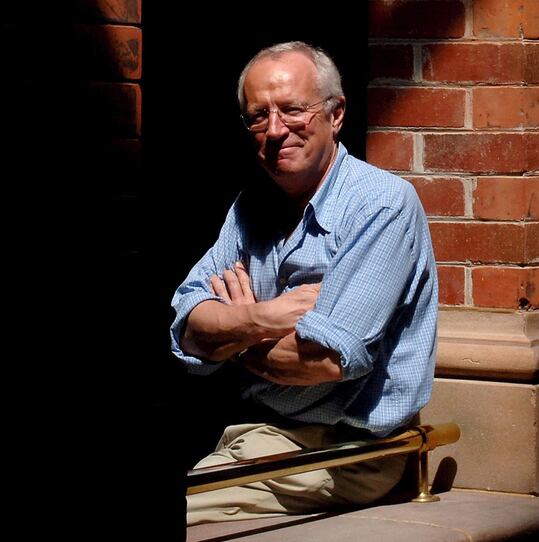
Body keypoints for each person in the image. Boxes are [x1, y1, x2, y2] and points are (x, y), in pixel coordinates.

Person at [170, 41, 438, 525]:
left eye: (293, 110)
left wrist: (232, 338)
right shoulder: (250, 207)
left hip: (346, 450)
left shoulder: (380, 205)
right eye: (258, 116)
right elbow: (186, 330)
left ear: (336, 116)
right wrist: (263, 317)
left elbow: (327, 361)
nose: (275, 130)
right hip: (256, 429)